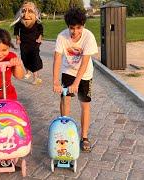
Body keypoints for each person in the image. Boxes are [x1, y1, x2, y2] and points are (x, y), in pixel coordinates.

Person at [53, 8, 98, 152]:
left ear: (83, 26)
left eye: (78, 28)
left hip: (85, 74)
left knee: (84, 104)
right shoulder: (62, 37)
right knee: (65, 99)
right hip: (68, 71)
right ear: (68, 27)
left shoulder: (89, 37)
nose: (75, 31)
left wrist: (76, 83)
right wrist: (55, 81)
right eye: (72, 28)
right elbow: (57, 59)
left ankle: (84, 137)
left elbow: (85, 63)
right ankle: (64, 130)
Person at [11, 1, 43, 85]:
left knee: (34, 59)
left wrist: (40, 38)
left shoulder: (37, 23)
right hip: (24, 43)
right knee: (24, 58)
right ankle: (28, 72)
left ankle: (36, 78)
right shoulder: (20, 23)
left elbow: (40, 30)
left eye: (30, 11)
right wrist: (18, 38)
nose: (26, 14)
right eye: (24, 11)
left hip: (34, 43)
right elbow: (16, 30)